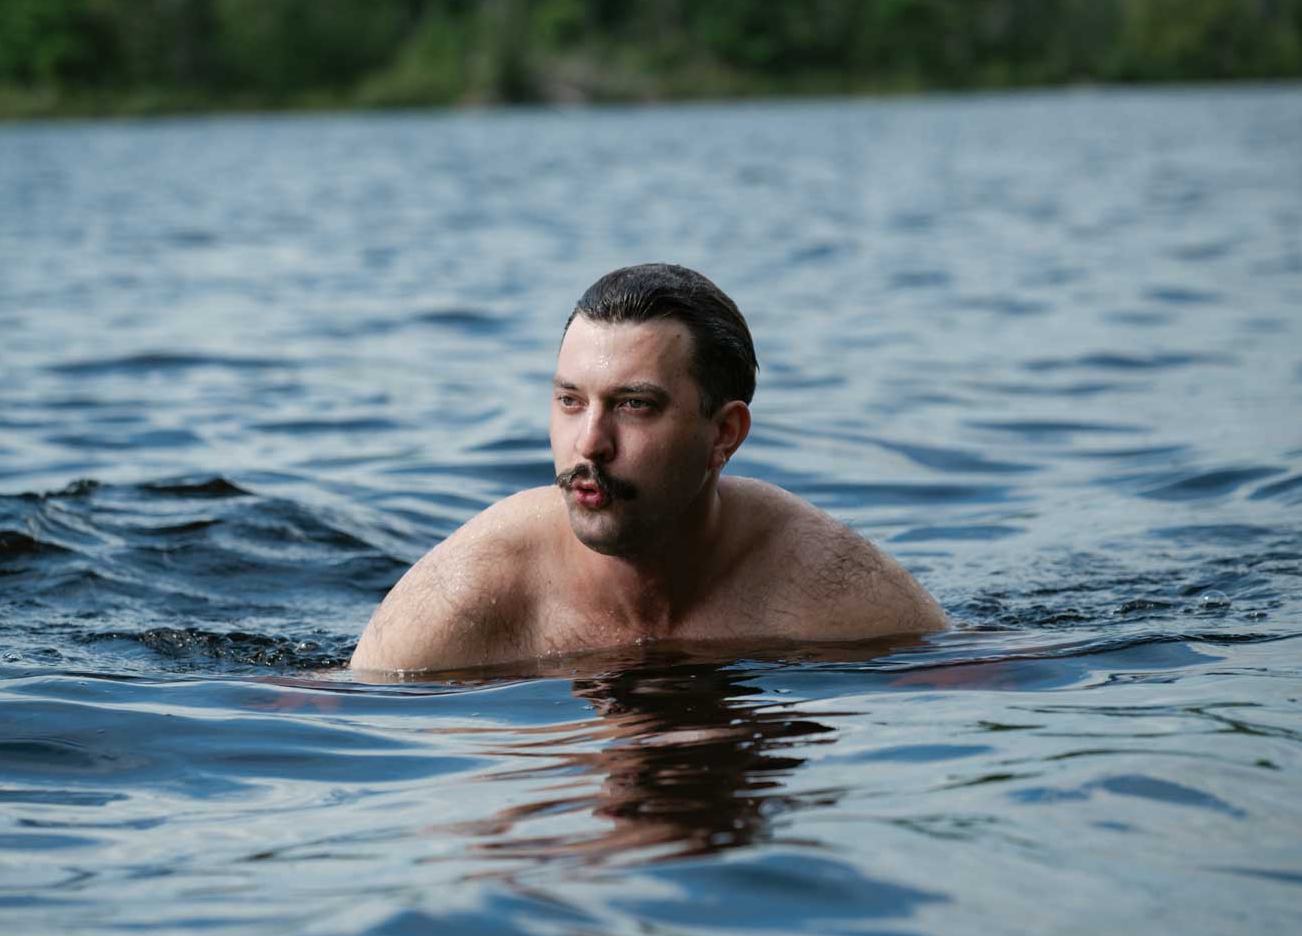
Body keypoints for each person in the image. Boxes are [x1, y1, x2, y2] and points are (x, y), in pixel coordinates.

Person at [351, 263, 948, 672]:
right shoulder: (461, 604)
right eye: (570, 401)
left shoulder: (837, 596)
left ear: (724, 433)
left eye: (635, 406)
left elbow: (960, 681)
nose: (590, 444)